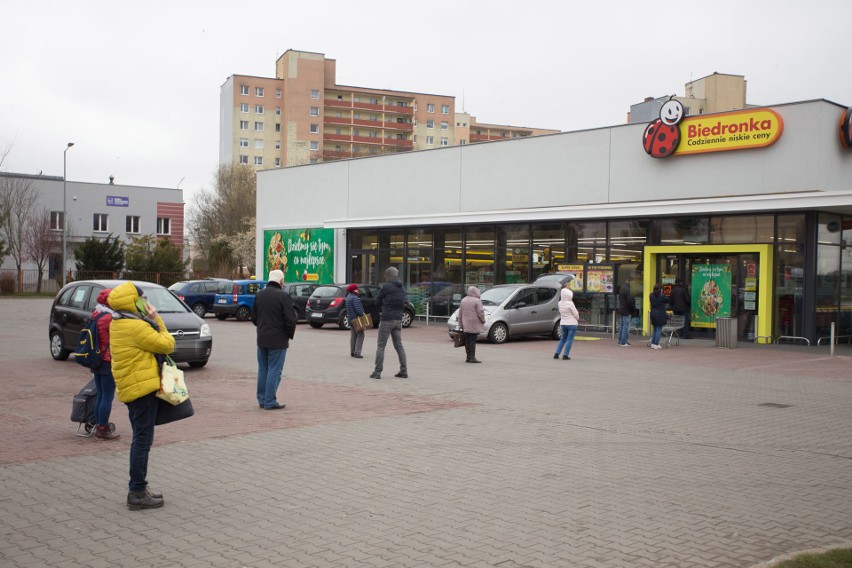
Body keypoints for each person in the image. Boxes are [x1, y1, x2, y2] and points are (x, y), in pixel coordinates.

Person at [108, 282, 175, 510]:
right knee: (142, 440)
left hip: (133, 387)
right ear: (132, 301)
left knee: (141, 438)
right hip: (141, 390)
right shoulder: (135, 327)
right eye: (142, 299)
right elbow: (167, 344)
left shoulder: (119, 322)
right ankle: (136, 491)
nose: (145, 302)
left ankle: (138, 488)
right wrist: (157, 319)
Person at [251, 270, 296, 410]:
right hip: (278, 340)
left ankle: (262, 399)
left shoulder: (260, 295)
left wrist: (263, 326)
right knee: (274, 370)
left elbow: (254, 318)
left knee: (263, 369)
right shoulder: (284, 296)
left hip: (262, 338)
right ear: (281, 281)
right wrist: (289, 334)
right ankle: (270, 401)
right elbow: (290, 319)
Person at [91, 288, 119, 441]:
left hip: (97, 360)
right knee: (107, 395)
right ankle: (102, 428)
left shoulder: (96, 314)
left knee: (100, 394)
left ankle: (98, 425)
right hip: (108, 360)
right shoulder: (109, 318)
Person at [371, 267, 408, 379]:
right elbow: (404, 301)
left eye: (386, 275)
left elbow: (377, 301)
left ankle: (377, 372)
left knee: (381, 346)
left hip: (387, 318)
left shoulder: (386, 287)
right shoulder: (402, 287)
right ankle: (404, 370)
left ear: (389, 275)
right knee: (399, 346)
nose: (384, 277)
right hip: (398, 319)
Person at [458, 286, 485, 363]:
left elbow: (460, 314)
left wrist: (460, 324)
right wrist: (483, 320)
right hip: (474, 324)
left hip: (465, 324)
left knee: (467, 340)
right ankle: (472, 357)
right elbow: (480, 312)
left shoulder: (463, 300)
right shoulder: (477, 301)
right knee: (472, 340)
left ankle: (468, 357)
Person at [554, 284, 580, 360]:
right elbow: (576, 314)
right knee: (569, 339)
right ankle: (565, 355)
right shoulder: (570, 303)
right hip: (572, 324)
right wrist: (577, 319)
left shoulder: (560, 303)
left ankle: (556, 353)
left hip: (563, 323)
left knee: (562, 339)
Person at [345, 283, 366, 358]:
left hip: (350, 318)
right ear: (355, 290)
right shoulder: (355, 298)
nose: (358, 290)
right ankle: (357, 352)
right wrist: (362, 316)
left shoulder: (348, 297)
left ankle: (352, 352)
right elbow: (359, 310)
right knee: (361, 334)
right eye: (357, 289)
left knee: (353, 335)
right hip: (356, 319)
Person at [648, 283, 670, 350]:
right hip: (660, 314)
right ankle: (656, 344)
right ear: (660, 289)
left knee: (654, 329)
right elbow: (668, 300)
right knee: (658, 329)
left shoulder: (651, 295)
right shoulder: (662, 296)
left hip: (653, 313)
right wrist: (663, 293)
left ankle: (653, 343)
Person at [617, 281, 636, 346]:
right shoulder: (628, 290)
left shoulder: (622, 288)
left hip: (621, 309)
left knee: (622, 326)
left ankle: (620, 340)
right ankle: (623, 341)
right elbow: (630, 301)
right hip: (627, 310)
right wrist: (634, 309)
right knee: (625, 326)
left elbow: (620, 298)